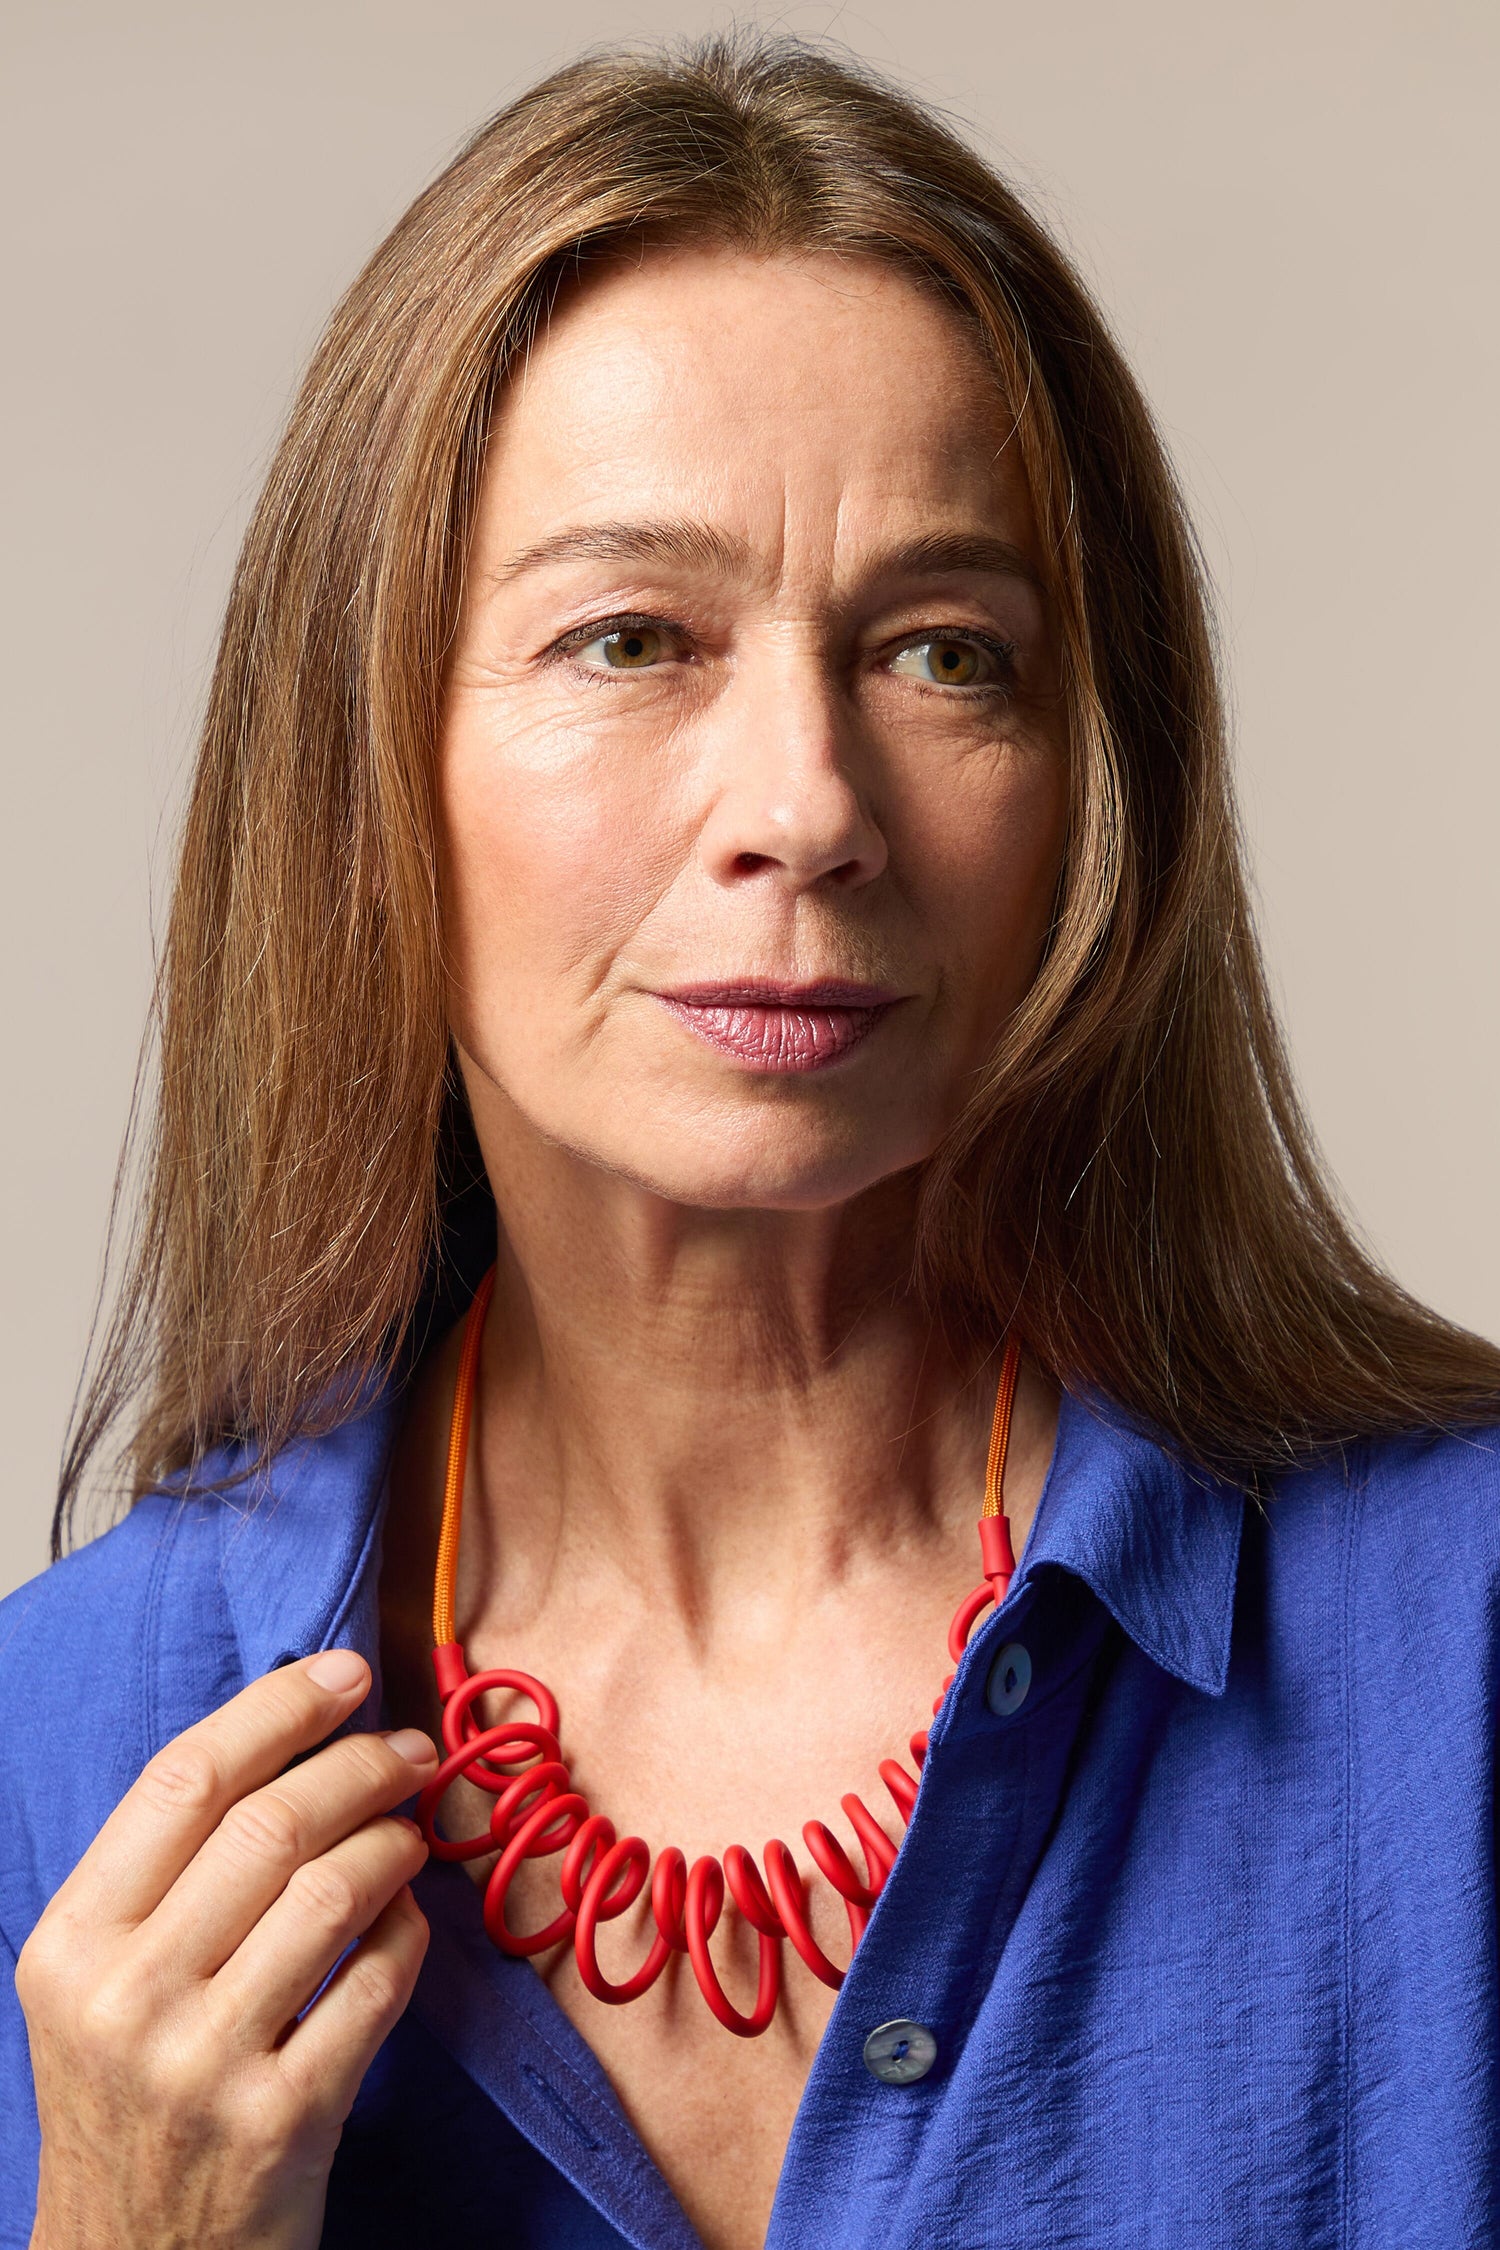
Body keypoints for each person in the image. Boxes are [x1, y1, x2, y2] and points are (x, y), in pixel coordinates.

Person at [3, 32, 1498, 2250]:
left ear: (1094, 781)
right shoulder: (59, 1737)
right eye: (632, 638)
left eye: (942, 654)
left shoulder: (1462, 1639)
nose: (805, 805)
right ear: (368, 768)